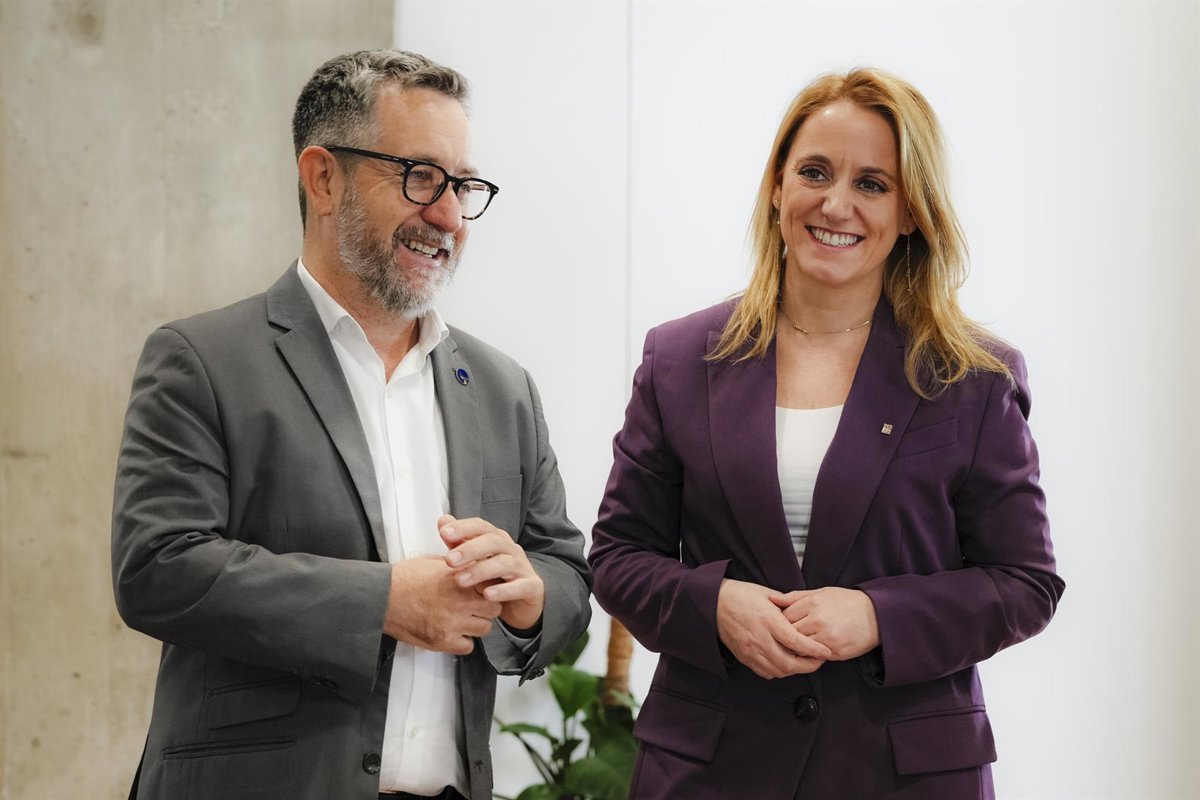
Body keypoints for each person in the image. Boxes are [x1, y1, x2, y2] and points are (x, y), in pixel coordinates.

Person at [111, 50, 591, 800]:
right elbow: (158, 569)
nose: (449, 216)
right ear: (323, 178)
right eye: (421, 177)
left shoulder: (505, 389)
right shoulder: (202, 360)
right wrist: (384, 602)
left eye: (464, 186)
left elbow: (563, 570)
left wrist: (530, 598)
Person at [589, 68, 1064, 800]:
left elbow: (1025, 583)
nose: (836, 203)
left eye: (872, 183)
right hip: (711, 771)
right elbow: (619, 556)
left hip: (903, 776)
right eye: (814, 172)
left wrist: (878, 616)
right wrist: (716, 608)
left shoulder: (975, 378)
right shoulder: (678, 359)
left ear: (911, 212)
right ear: (777, 187)